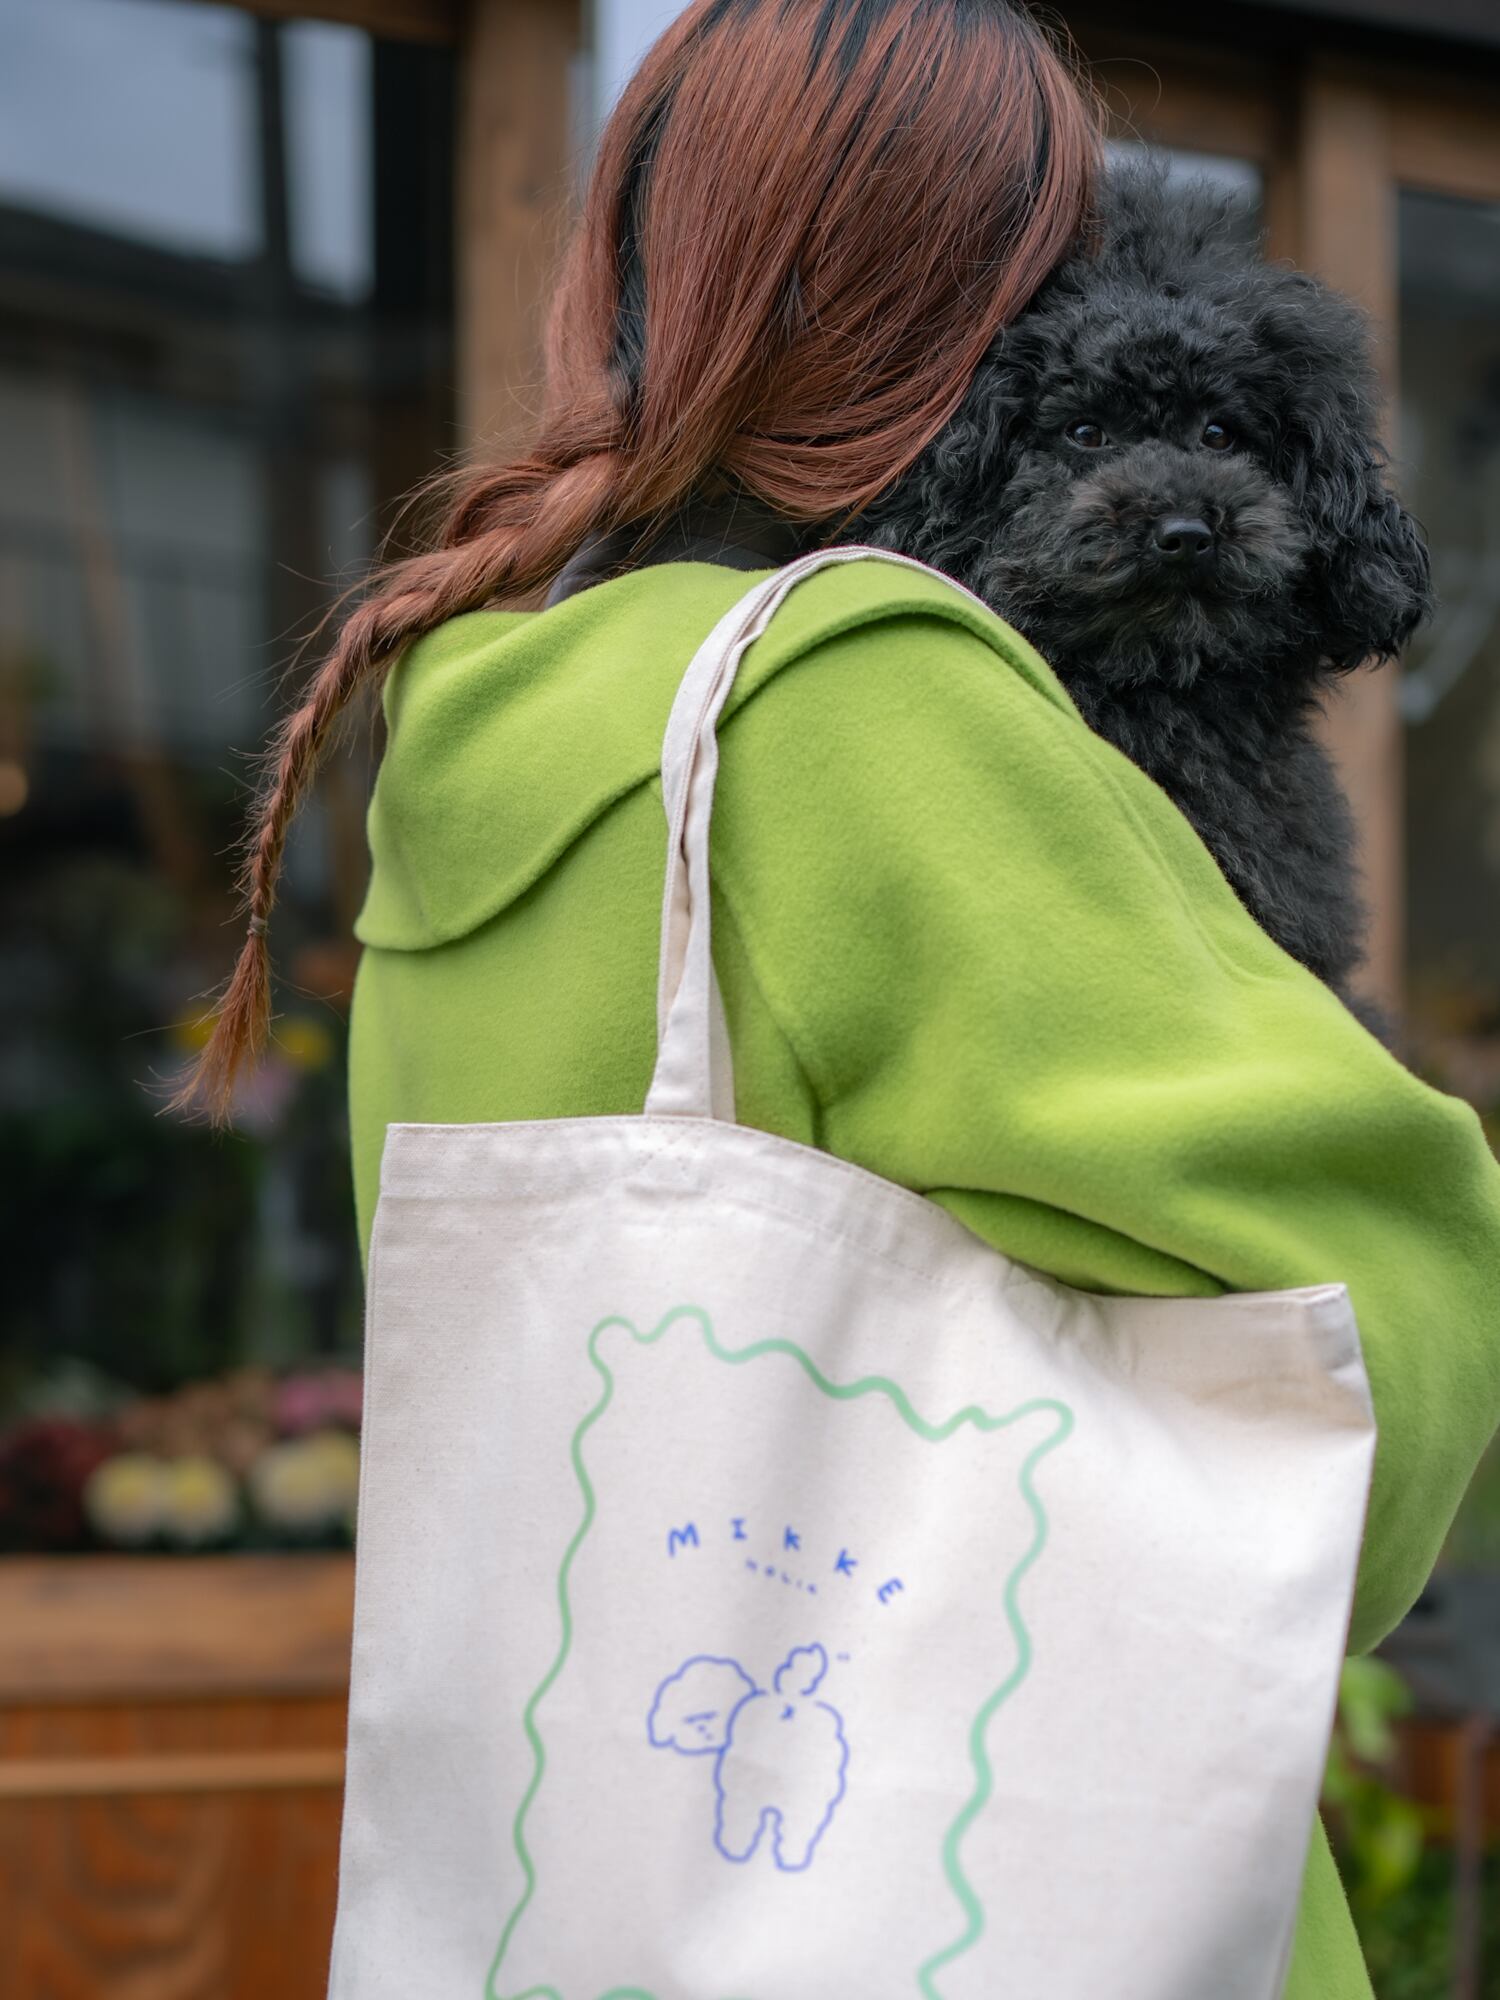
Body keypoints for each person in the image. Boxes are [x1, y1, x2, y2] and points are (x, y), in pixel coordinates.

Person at [182, 3, 1500, 1993]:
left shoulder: (463, 739)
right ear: (964, 314)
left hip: (614, 1882)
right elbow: (1367, 1389)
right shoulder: (866, 714)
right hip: (999, 1891)